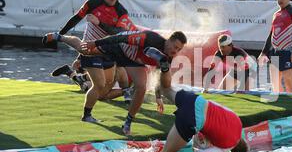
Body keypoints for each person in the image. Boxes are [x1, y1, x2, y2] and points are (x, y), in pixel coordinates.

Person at [44, 30, 187, 136]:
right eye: (174, 46)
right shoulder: (148, 38)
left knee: (142, 87)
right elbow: (120, 37)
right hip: (119, 47)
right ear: (168, 40)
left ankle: (128, 123)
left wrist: (158, 97)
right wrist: (96, 43)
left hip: (132, 61)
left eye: (178, 49)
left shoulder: (167, 58)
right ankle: (60, 37)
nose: (175, 51)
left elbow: (157, 75)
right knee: (84, 49)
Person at [42, 0, 135, 123]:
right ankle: (87, 115)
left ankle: (74, 75)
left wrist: (99, 23)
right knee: (98, 83)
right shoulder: (92, 4)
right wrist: (62, 31)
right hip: (90, 48)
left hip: (107, 51)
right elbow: (75, 19)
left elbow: (117, 32)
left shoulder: (121, 11)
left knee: (104, 90)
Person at [144, 83, 249, 152]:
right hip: (194, 121)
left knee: (166, 89)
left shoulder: (237, 120)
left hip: (195, 100)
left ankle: (158, 84)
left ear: (243, 140)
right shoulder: (225, 148)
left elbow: (216, 105)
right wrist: (196, 144)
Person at [258, 0, 292, 93]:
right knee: (275, 84)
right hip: (275, 52)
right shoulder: (276, 14)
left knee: (289, 85)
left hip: (288, 52)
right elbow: (271, 35)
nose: (280, 0)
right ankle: (281, 105)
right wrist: (263, 52)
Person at [51, 59, 132, 103]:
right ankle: (74, 75)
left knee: (93, 90)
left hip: (110, 72)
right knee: (93, 91)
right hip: (104, 69)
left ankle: (71, 73)